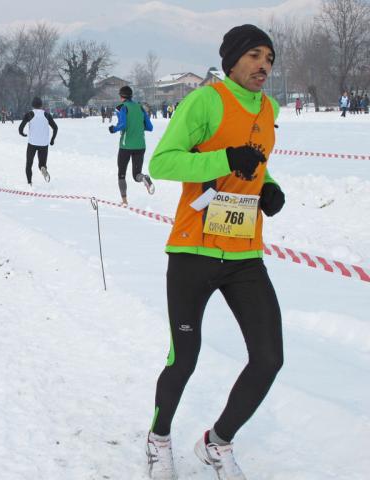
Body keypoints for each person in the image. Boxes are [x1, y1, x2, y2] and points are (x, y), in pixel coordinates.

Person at [145, 24, 285, 480]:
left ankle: (216, 442)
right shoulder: (206, 100)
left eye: (269, 57)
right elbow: (163, 161)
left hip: (244, 252)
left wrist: (271, 188)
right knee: (184, 356)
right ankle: (158, 438)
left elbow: (258, 165)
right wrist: (224, 159)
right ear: (232, 60)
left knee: (269, 358)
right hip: (194, 249)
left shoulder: (269, 108)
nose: (263, 65)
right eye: (254, 56)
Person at [108, 85, 155, 205]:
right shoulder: (140, 107)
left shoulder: (121, 107)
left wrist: (113, 129)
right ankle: (144, 178)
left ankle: (124, 201)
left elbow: (122, 124)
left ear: (121, 96)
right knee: (136, 175)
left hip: (126, 146)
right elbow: (150, 127)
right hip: (140, 145)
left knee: (122, 173)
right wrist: (138, 127)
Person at [18, 96, 58, 186]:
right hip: (44, 143)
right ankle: (43, 168)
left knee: (29, 163)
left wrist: (22, 134)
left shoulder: (29, 114)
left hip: (32, 143)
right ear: (41, 105)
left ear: (32, 105)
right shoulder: (47, 115)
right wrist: (52, 140)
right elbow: (55, 128)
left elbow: (20, 128)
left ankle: (29, 182)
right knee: (42, 163)